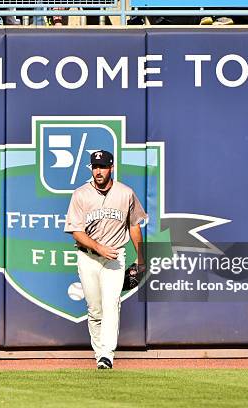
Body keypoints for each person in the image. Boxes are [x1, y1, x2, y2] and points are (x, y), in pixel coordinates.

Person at [64, 150, 147, 370]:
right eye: (95, 166)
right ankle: (99, 351)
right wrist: (98, 247)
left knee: (111, 305)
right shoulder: (80, 194)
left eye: (102, 166)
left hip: (115, 257)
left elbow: (133, 226)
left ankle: (106, 355)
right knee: (95, 309)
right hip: (88, 257)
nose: (98, 171)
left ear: (112, 167)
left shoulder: (125, 193)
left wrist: (142, 259)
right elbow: (76, 232)